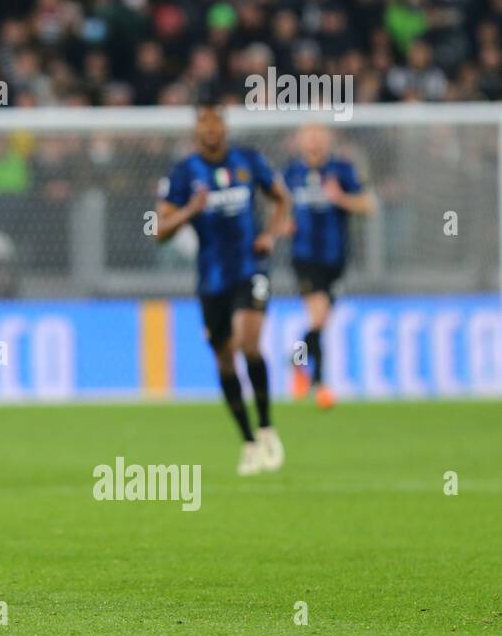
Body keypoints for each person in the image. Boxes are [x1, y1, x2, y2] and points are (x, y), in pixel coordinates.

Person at [155, 104, 292, 476]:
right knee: (224, 358)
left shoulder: (248, 161)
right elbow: (159, 230)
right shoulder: (184, 174)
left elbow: (282, 198)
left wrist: (271, 235)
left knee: (249, 343)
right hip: (211, 280)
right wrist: (189, 211)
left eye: (217, 122)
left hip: (251, 268)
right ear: (196, 131)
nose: (211, 130)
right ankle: (247, 440)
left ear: (225, 128)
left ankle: (266, 427)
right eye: (204, 123)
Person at [282, 124, 376, 409]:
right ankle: (321, 386)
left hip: (336, 258)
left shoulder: (342, 170)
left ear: (328, 140)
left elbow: (368, 205)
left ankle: (300, 364)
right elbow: (277, 206)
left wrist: (341, 199)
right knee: (319, 318)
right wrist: (283, 223)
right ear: (299, 141)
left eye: (319, 135)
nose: (314, 141)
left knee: (319, 323)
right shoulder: (291, 174)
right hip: (305, 256)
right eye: (308, 135)